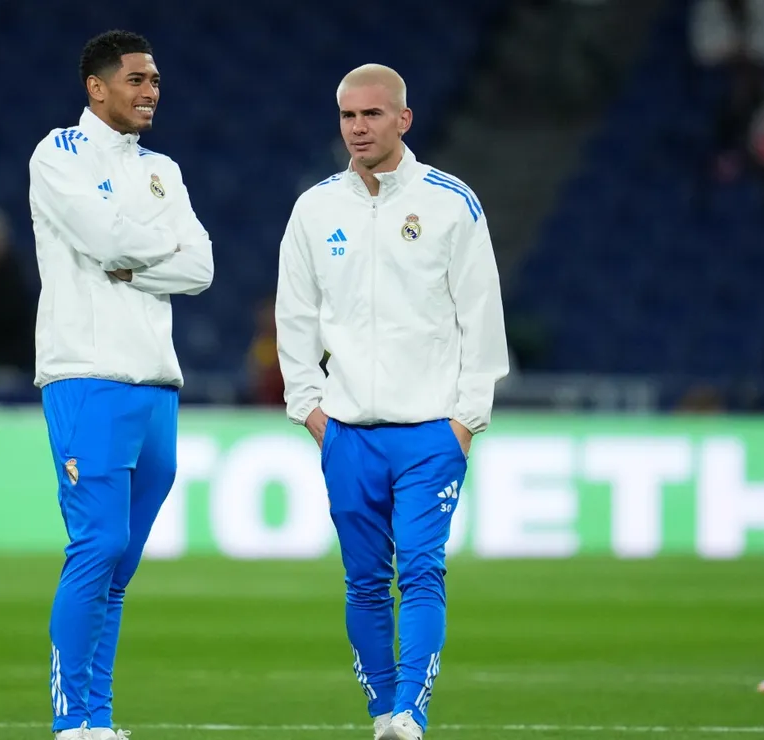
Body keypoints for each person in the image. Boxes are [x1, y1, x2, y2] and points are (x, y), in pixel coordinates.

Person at [274, 64, 509, 740]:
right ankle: (384, 716)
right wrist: (310, 409)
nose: (357, 128)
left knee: (424, 570)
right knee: (364, 583)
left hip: (430, 431)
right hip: (347, 432)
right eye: (348, 116)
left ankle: (411, 709)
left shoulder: (449, 202)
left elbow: (481, 317)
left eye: (372, 115)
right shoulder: (315, 209)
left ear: (403, 119)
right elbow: (295, 317)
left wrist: (466, 420)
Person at [26, 29, 214, 740]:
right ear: (96, 87)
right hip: (87, 375)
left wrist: (135, 260)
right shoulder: (59, 153)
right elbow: (100, 241)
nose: (151, 91)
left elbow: (200, 268)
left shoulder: (162, 168)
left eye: (156, 80)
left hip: (156, 384)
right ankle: (72, 719)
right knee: (97, 545)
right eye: (137, 79)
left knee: (119, 567)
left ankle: (98, 719)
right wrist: (145, 243)